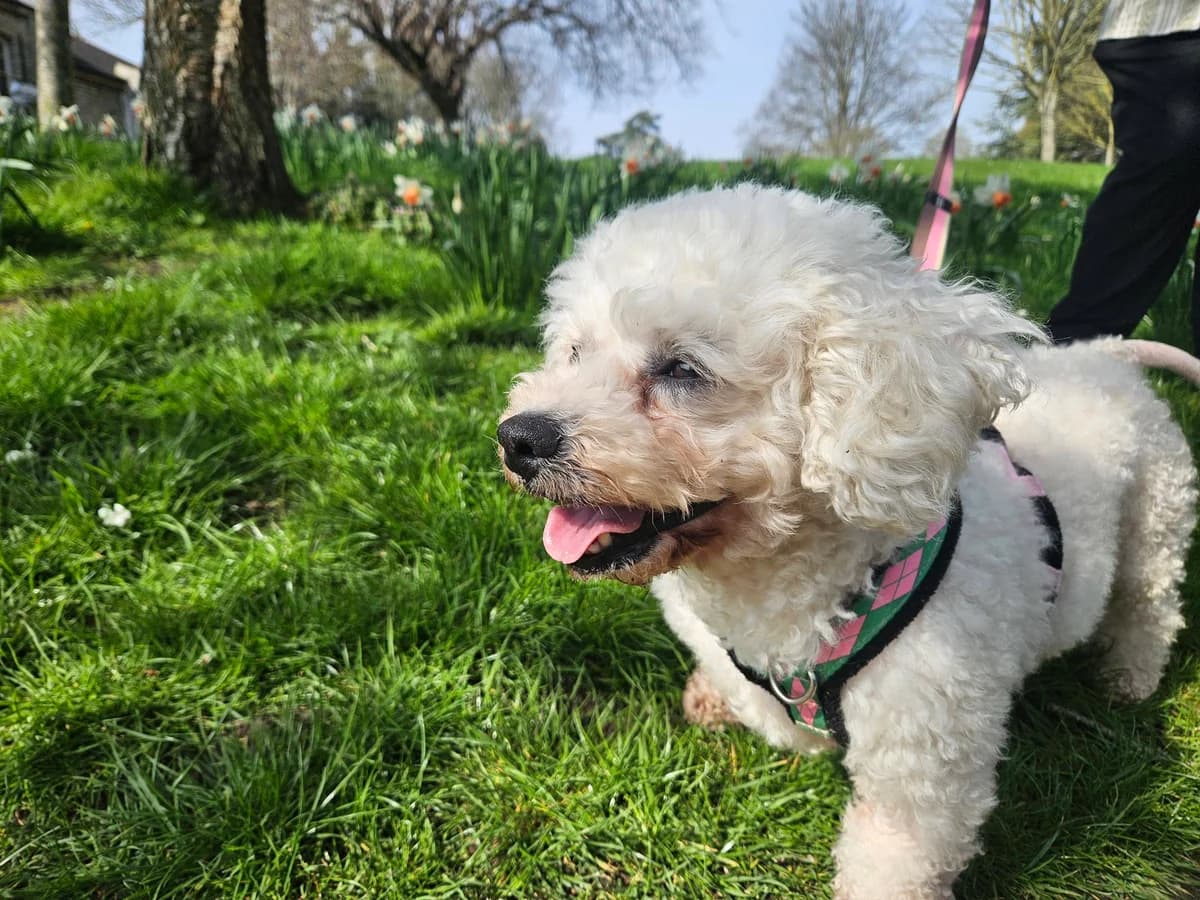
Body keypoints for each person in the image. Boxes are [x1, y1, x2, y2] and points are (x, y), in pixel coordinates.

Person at [1044, 1, 1200, 348]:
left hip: (1160, 34)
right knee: (1151, 186)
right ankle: (1067, 357)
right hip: (1164, 27)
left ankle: (1069, 353)